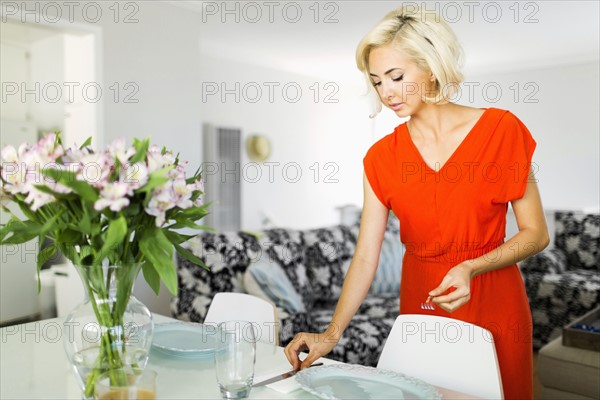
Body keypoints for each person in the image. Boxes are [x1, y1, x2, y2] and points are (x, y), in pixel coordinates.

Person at [283, 5, 550, 399]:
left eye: (396, 76)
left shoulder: (502, 130)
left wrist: (470, 267)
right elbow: (365, 257)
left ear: (432, 67)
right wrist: (331, 333)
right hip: (422, 302)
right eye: (376, 81)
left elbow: (537, 234)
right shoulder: (380, 158)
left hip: (494, 298)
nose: (386, 91)